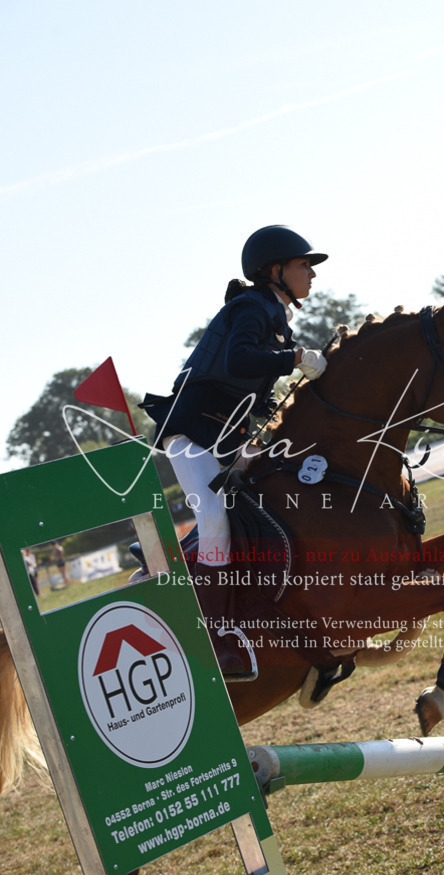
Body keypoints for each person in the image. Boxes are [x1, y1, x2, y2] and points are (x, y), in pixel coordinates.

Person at [142, 226, 329, 670]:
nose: (312, 274)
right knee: (211, 513)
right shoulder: (251, 307)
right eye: (305, 265)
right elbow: (238, 361)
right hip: (189, 430)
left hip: (225, 433)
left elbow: (250, 386)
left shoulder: (273, 313)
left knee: (262, 500)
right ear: (275, 270)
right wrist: (297, 358)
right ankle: (213, 633)